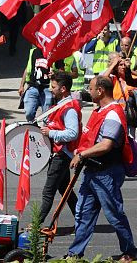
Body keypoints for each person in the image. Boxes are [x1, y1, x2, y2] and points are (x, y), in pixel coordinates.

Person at [68, 76, 137, 261]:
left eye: (90, 89)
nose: (88, 92)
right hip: (92, 171)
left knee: (114, 214)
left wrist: (82, 154)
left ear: (100, 91)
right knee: (83, 215)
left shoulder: (113, 113)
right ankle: (75, 253)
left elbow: (106, 145)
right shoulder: (100, 110)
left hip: (107, 172)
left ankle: (129, 251)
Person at [39, 71, 81, 221]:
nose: (51, 89)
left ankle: (36, 224)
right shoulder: (61, 105)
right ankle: (82, 220)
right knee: (65, 190)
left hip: (62, 155)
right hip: (60, 154)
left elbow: (72, 133)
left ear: (63, 89)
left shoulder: (69, 108)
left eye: (54, 86)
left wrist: (51, 133)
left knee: (48, 191)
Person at [19, 46, 53, 121]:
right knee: (29, 113)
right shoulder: (34, 52)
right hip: (33, 86)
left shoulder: (54, 52)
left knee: (47, 116)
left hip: (47, 88)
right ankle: (33, 127)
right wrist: (21, 85)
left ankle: (44, 130)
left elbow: (61, 71)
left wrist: (55, 74)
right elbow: (28, 68)